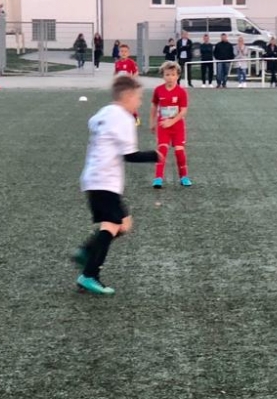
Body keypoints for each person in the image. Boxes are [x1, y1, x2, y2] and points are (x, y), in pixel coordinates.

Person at [73, 75, 160, 295]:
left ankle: (88, 251)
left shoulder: (103, 112)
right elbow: (130, 155)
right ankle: (89, 275)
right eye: (138, 97)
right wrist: (155, 155)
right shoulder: (123, 118)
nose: (139, 102)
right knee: (111, 225)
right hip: (105, 180)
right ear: (128, 96)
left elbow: (94, 125)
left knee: (124, 225)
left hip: (94, 177)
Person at [150, 61, 192, 189]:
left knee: (179, 151)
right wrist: (152, 122)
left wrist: (172, 122)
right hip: (163, 126)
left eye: (173, 75)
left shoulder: (181, 92)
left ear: (178, 76)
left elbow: (183, 111)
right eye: (167, 74)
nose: (170, 77)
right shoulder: (158, 90)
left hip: (177, 127)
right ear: (163, 75)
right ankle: (158, 178)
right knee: (162, 150)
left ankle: (184, 176)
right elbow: (154, 106)